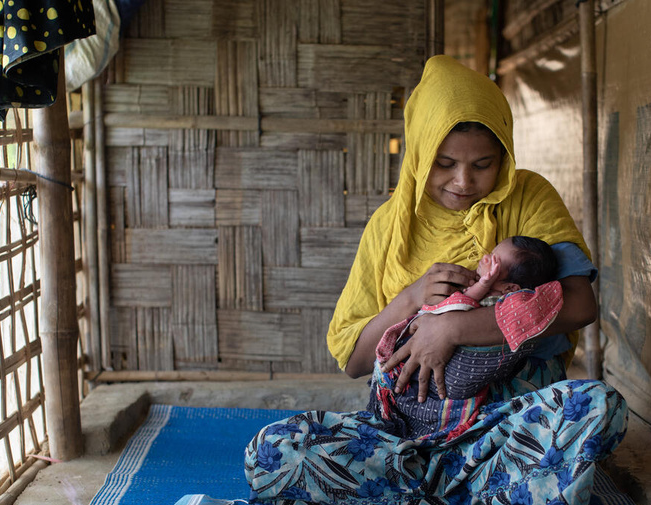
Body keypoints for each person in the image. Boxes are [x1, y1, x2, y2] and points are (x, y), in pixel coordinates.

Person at [244, 54, 627, 505]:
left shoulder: (528, 196)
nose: (463, 181)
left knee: (599, 408)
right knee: (273, 453)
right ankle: (473, 492)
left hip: (503, 431)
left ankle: (416, 494)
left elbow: (580, 305)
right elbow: (353, 361)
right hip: (402, 435)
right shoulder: (390, 226)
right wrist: (410, 299)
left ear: (504, 154)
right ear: (420, 151)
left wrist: (454, 328)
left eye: (483, 164)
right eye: (444, 163)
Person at [369, 236, 564, 441]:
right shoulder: (486, 291)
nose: (484, 258)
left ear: (510, 289)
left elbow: (467, 302)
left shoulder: (510, 305)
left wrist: (484, 283)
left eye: (494, 260)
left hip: (459, 378)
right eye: (490, 253)